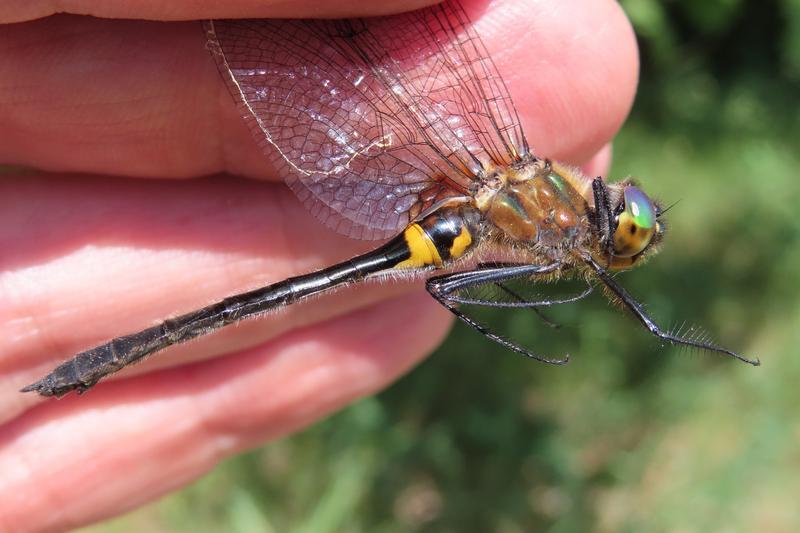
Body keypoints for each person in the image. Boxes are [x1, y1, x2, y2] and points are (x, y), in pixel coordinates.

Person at [0, 0, 638, 529]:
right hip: (454, 218)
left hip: (450, 229)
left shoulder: (559, 220)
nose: (619, 225)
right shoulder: (550, 200)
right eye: (627, 223)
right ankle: (88, 366)